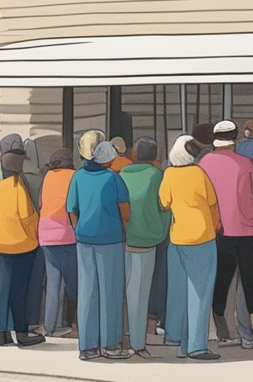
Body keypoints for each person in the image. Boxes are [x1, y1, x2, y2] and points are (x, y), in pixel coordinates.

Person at [198, 120, 253, 349]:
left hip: (217, 230)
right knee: (247, 282)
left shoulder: (204, 163)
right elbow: (251, 199)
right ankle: (248, 335)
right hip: (244, 230)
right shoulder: (245, 165)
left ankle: (222, 332)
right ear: (235, 138)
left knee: (221, 281)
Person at [159, 134, 223, 360]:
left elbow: (164, 203)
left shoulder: (168, 174)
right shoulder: (198, 173)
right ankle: (196, 346)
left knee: (178, 291)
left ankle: (176, 338)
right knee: (200, 293)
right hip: (202, 237)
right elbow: (213, 204)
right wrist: (216, 225)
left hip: (177, 238)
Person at [68, 139, 131, 360]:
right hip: (110, 240)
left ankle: (87, 347)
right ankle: (110, 344)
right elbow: (125, 211)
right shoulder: (113, 178)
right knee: (110, 292)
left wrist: (79, 230)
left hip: (84, 240)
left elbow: (72, 209)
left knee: (87, 292)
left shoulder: (77, 177)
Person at [0, 149, 46, 347]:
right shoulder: (19, 188)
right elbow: (27, 218)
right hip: (21, 245)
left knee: (1, 290)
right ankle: (21, 331)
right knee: (19, 292)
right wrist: (35, 233)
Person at [121, 137, 169, 357]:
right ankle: (138, 342)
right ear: (154, 156)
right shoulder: (156, 175)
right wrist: (161, 230)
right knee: (141, 293)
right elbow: (164, 208)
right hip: (148, 241)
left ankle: (124, 337)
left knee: (124, 292)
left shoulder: (121, 175)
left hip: (124, 240)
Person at [38, 148, 78, 338]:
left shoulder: (48, 177)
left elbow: (41, 202)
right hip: (66, 232)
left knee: (53, 283)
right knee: (75, 284)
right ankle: (78, 322)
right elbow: (75, 204)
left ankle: (49, 326)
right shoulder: (74, 176)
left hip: (45, 233)